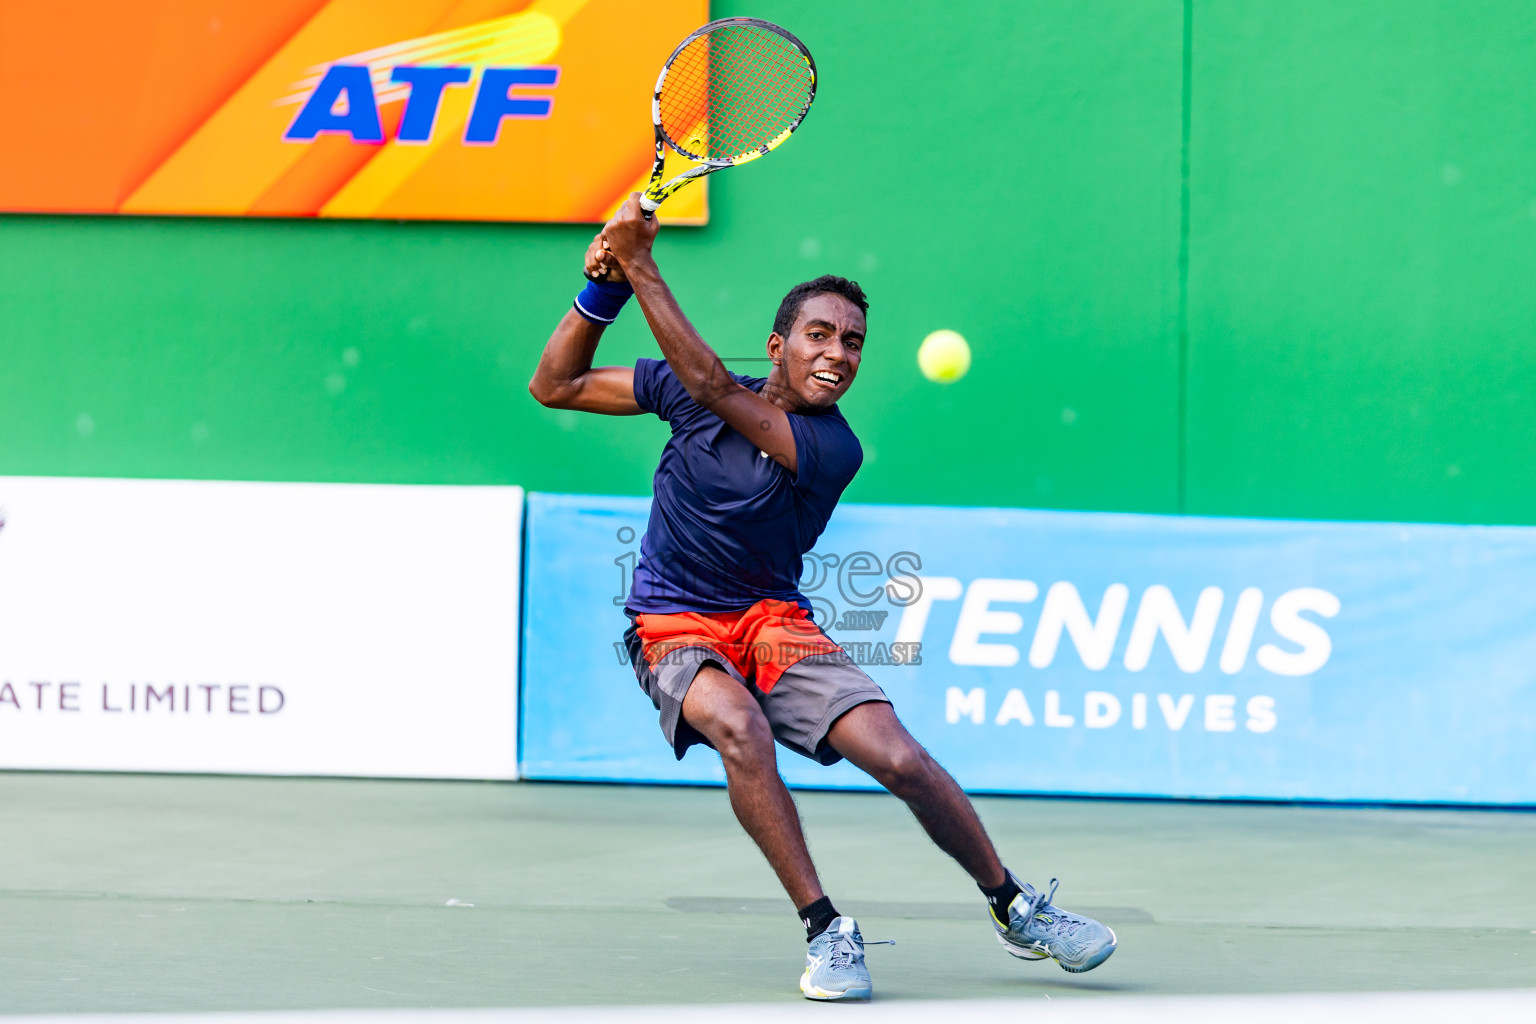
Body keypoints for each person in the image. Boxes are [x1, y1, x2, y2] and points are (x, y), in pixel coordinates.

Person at [528, 196, 1117, 1000]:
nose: (839, 353)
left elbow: (704, 379)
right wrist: (601, 292)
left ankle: (1014, 906)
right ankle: (825, 929)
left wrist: (638, 262)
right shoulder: (684, 393)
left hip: (773, 621)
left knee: (900, 758)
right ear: (778, 345)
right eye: (820, 335)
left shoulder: (831, 444)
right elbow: (553, 384)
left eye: (854, 342)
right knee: (736, 726)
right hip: (672, 621)